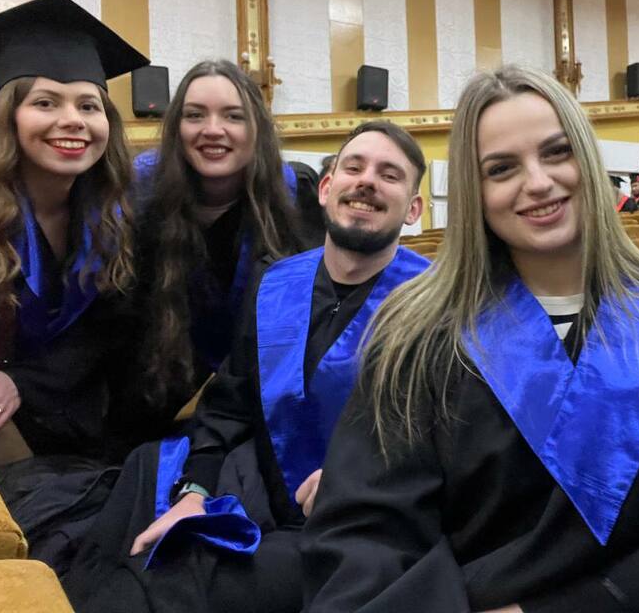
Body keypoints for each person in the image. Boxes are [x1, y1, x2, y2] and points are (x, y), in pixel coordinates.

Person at [302, 66, 639, 613]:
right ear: (473, 191)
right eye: (501, 169)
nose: (538, 182)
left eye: (556, 152)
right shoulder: (417, 334)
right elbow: (367, 533)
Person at [64, 120, 430, 613]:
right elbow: (229, 404)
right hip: (258, 483)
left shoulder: (435, 307)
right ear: (326, 189)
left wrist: (361, 477)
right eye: (354, 167)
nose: (367, 181)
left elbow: (448, 443)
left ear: (413, 209)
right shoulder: (277, 285)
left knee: (159, 583)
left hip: (355, 523)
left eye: (389, 175)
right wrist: (194, 493)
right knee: (131, 499)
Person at [0, 0, 148, 562]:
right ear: (10, 116)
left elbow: (111, 335)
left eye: (89, 105)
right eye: (46, 103)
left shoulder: (115, 219)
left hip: (80, 445)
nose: (72, 120)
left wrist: (20, 383)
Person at [129, 60, 314, 426]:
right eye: (195, 115)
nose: (213, 130)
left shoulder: (294, 197)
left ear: (257, 128)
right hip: (154, 386)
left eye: (233, 116)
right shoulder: (141, 198)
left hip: (260, 396)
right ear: (177, 127)